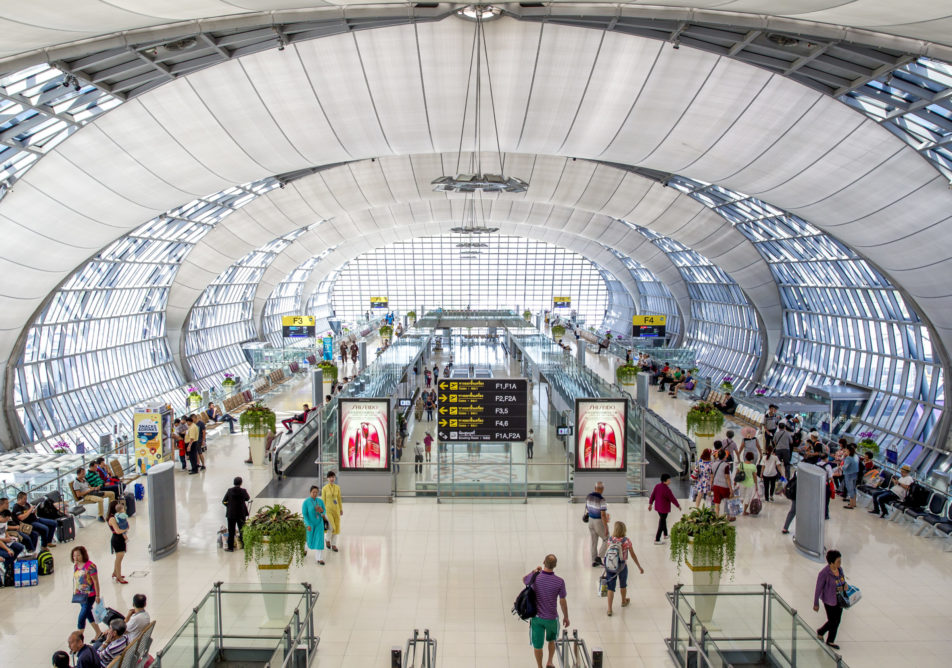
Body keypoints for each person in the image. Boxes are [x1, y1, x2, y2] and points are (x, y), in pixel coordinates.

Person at [523, 555, 569, 668]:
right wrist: (566, 617)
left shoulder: (536, 577)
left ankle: (540, 666)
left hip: (537, 618)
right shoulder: (559, 582)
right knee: (552, 640)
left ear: (544, 562)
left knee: (538, 645)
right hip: (552, 618)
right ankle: (550, 661)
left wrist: (534, 571)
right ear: (555, 565)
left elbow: (525, 580)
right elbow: (562, 601)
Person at [604, 521, 644, 616]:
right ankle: (623, 601)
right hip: (622, 566)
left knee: (611, 587)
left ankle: (609, 609)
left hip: (611, 566)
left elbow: (607, 553)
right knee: (623, 585)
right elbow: (633, 555)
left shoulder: (610, 540)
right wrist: (639, 566)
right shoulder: (626, 541)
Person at [813, 549, 846, 650]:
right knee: (832, 621)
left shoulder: (840, 570)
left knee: (837, 620)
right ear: (831, 562)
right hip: (829, 600)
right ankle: (823, 633)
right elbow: (818, 588)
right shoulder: (824, 573)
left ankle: (829, 638)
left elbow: (842, 581)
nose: (840, 563)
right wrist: (816, 603)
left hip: (839, 599)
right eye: (838, 561)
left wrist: (844, 586)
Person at [71, 546, 103, 638]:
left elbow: (96, 581)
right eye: (74, 556)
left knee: (82, 615)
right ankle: (98, 632)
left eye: (78, 555)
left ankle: (79, 635)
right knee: (88, 613)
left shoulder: (91, 566)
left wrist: (97, 595)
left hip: (90, 595)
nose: (76, 558)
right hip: (80, 595)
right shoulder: (76, 566)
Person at [648, 473, 681, 544]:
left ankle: (665, 534)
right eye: (669, 480)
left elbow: (652, 495)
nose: (670, 481)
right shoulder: (667, 490)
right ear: (665, 481)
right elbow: (672, 498)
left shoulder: (657, 486)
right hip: (664, 509)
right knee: (661, 523)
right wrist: (678, 506)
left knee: (663, 520)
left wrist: (650, 504)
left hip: (658, 508)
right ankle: (657, 539)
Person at [222, 477, 250, 552]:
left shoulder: (230, 491)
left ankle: (230, 547)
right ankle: (244, 545)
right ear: (241, 483)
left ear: (234, 483)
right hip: (241, 513)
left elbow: (224, 501)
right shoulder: (243, 491)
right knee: (242, 530)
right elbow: (247, 498)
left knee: (231, 531)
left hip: (231, 514)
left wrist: (229, 506)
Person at [585, 482, 610, 566]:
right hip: (598, 521)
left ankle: (593, 560)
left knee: (593, 541)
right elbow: (603, 515)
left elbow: (587, 508)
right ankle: (599, 557)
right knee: (607, 539)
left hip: (590, 521)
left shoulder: (589, 496)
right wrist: (606, 527)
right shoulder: (602, 499)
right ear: (602, 489)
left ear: (595, 488)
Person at [302, 485, 326, 565]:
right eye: (313, 492)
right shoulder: (306, 502)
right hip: (310, 523)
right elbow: (305, 515)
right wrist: (308, 524)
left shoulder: (320, 501)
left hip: (319, 523)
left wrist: (321, 511)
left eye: (316, 492)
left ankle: (319, 559)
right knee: (309, 538)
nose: (315, 494)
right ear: (310, 492)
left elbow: (324, 512)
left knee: (319, 540)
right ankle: (305, 548)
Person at [106, 499, 129, 584]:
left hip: (119, 538)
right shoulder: (112, 518)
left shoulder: (115, 516)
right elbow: (118, 531)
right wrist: (126, 529)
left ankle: (115, 572)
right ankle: (119, 577)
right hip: (117, 539)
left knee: (118, 558)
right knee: (119, 558)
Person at [322, 471, 342, 553]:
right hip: (328, 510)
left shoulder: (337, 488)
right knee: (332, 526)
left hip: (336, 509)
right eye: (330, 477)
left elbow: (339, 499)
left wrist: (340, 509)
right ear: (327, 478)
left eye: (333, 477)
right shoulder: (325, 488)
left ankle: (334, 544)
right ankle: (327, 539)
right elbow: (323, 500)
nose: (332, 479)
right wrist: (322, 513)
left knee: (336, 527)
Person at [711, 449, 734, 518]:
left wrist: (711, 485)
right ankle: (728, 517)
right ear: (725, 456)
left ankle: (717, 517)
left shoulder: (713, 464)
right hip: (724, 486)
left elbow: (712, 476)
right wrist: (730, 488)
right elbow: (727, 477)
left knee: (717, 503)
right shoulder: (726, 465)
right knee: (727, 501)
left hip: (716, 486)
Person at [842, 444, 860, 509]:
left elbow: (845, 467)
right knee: (854, 488)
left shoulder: (849, 458)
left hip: (849, 474)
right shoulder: (856, 456)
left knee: (850, 488)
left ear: (849, 451)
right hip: (855, 473)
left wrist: (841, 467)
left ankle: (851, 504)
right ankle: (854, 503)